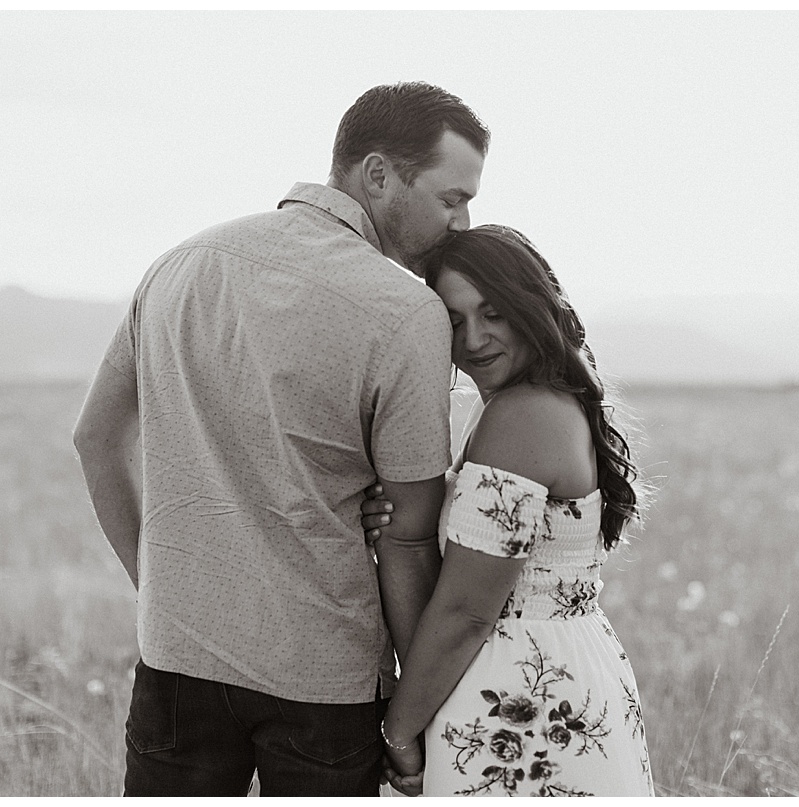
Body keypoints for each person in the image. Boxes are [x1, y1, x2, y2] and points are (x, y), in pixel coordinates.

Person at [72, 82, 489, 796]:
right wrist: (414, 724)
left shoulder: (180, 263)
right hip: (324, 684)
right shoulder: (406, 312)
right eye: (451, 197)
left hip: (176, 658)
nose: (463, 220)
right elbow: (408, 538)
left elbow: (94, 439)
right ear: (379, 174)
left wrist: (161, 592)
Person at [360, 225, 655, 796]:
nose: (474, 339)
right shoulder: (529, 404)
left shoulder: (522, 416)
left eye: (493, 312)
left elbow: (468, 610)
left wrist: (399, 733)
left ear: (532, 306)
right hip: (556, 673)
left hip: (525, 695)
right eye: (453, 320)